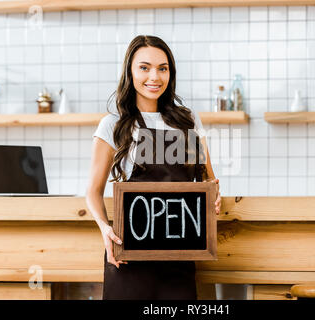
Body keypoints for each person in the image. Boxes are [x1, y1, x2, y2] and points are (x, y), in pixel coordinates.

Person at [85, 35, 221, 300]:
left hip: (180, 252)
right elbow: (93, 190)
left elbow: (207, 181)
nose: (154, 77)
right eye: (144, 67)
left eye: (163, 68)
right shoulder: (113, 125)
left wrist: (214, 196)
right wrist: (104, 229)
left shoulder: (188, 120)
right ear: (130, 72)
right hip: (129, 256)